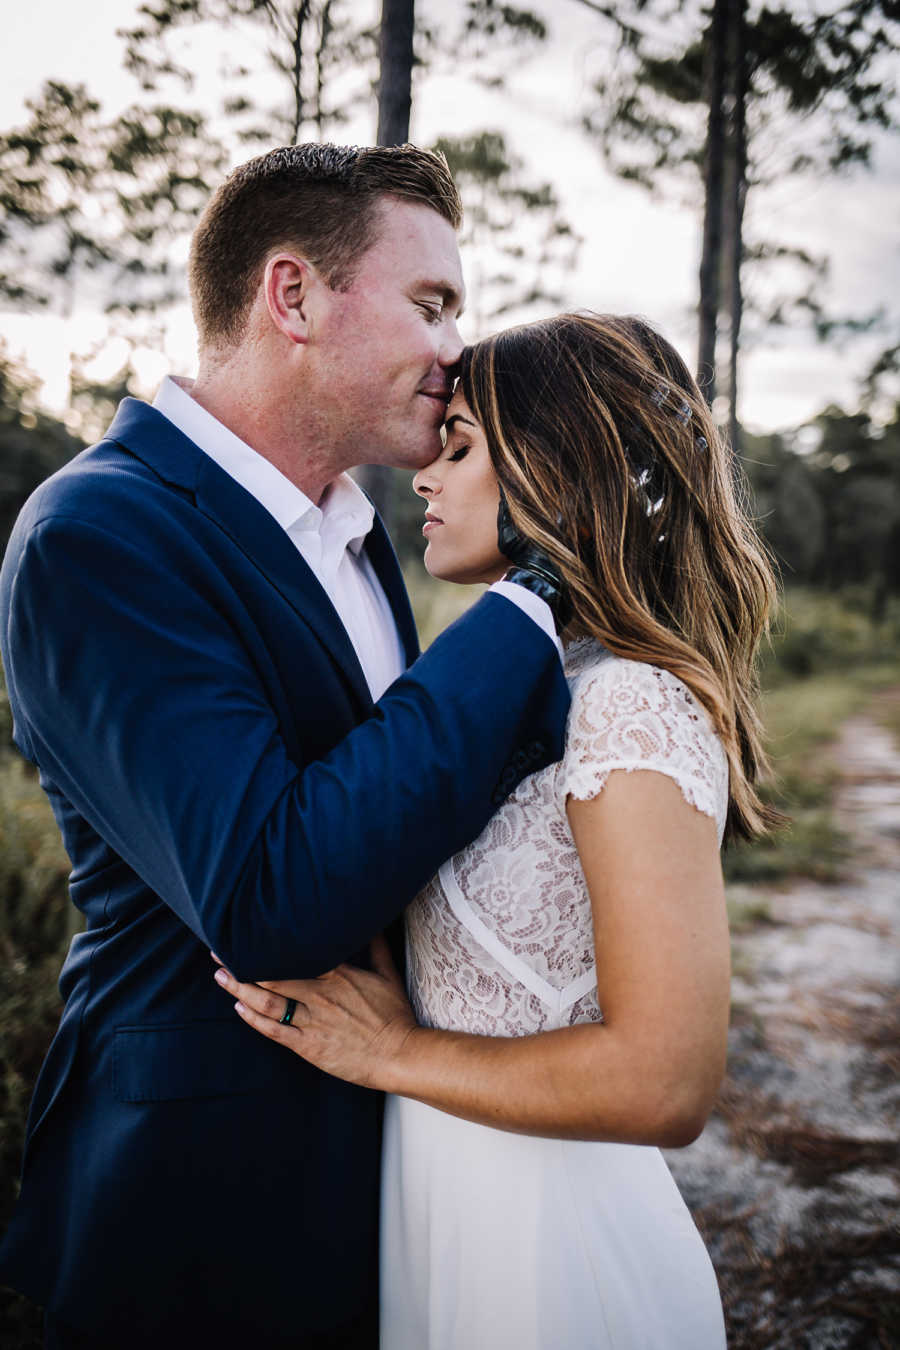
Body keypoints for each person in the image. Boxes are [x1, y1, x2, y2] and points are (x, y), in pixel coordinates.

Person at [0, 144, 573, 1350]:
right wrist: (532, 604)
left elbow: (412, 796)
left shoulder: (359, 535)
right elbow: (268, 893)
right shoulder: (98, 533)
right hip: (202, 1211)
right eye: (430, 304)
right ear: (294, 296)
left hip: (392, 1172)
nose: (455, 348)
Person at [213, 312, 782, 1349]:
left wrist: (393, 1052)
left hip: (550, 1256)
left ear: (556, 472)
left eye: (463, 446)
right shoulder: (526, 687)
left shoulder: (629, 704)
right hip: (436, 1220)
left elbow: (668, 1081)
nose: (428, 472)